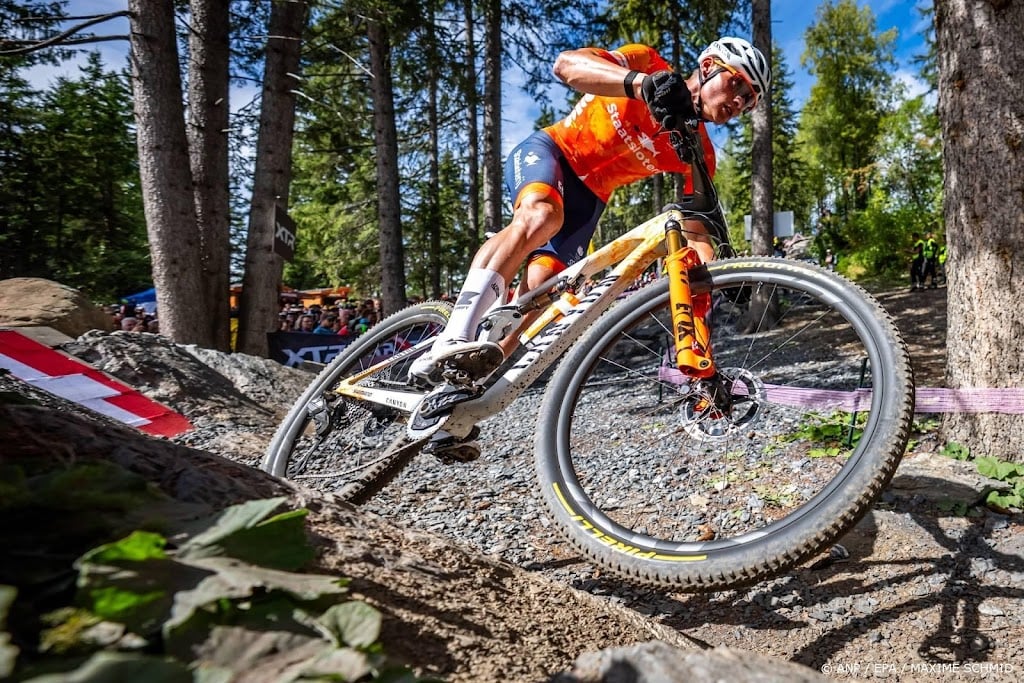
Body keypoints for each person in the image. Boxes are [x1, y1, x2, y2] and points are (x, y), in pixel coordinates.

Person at [410, 37, 770, 386]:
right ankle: (453, 336)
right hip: (553, 152)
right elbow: (566, 65)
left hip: (589, 199)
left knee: (543, 294)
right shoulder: (647, 62)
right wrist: (642, 85)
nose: (740, 100)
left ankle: (462, 388)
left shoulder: (699, 151)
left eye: (750, 99)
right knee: (541, 215)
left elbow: (696, 233)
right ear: (707, 66)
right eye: (737, 82)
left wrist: (720, 276)